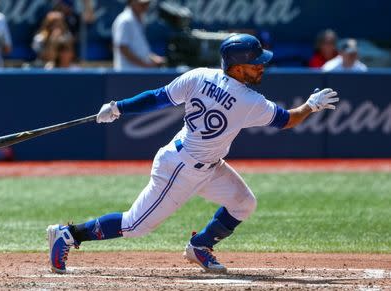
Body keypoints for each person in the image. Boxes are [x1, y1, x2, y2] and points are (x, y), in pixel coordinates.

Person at [46, 34, 339, 274]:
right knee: (134, 226)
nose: (261, 67)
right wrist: (311, 105)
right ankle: (68, 233)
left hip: (206, 164)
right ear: (237, 67)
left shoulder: (200, 76)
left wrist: (117, 107)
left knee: (243, 203)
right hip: (180, 168)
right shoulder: (249, 100)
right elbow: (288, 119)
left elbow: (156, 99)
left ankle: (199, 246)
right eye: (255, 63)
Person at [112, 0, 165, 70]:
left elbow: (139, 48)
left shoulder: (140, 18)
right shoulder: (124, 20)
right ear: (131, 2)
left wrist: (153, 58)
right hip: (127, 73)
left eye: (147, 4)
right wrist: (145, 65)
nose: (145, 7)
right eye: (142, 4)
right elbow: (123, 48)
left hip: (138, 72)